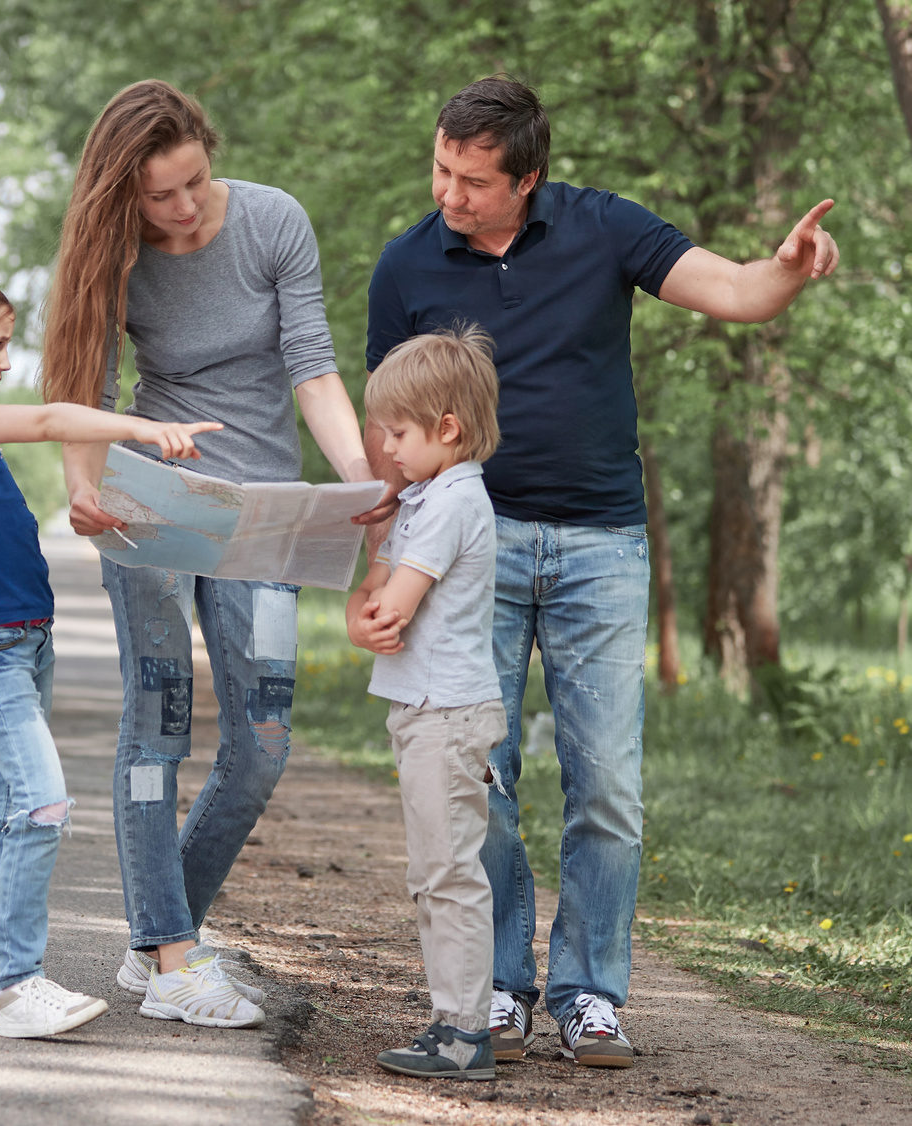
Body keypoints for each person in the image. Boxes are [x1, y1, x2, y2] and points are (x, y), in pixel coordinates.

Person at [361, 75, 839, 1069]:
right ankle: (495, 987)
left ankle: (589, 994)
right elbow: (388, 439)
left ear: (526, 177)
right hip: (464, 551)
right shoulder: (407, 263)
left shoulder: (602, 228)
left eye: (472, 180)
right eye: (439, 169)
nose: (447, 194)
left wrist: (785, 269)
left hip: (599, 547)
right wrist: (386, 568)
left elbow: (737, 292)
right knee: (477, 779)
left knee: (606, 787)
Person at [39, 79, 377, 1029]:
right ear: (121, 195)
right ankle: (179, 961)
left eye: (193, 182)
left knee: (261, 745)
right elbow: (81, 379)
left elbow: (311, 363)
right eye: (158, 196)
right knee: (157, 728)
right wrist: (83, 489)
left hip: (261, 513)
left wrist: (357, 483)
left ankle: (157, 937)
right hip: (152, 506)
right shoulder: (107, 253)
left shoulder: (273, 222)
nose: (182, 210)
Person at [0, 267, 221, 1038]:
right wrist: (139, 429)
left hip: (17, 650)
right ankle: (18, 982)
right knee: (43, 805)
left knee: (8, 815)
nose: (7, 361)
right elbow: (44, 423)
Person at [347, 326, 507, 1081]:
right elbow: (372, 595)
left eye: (398, 433)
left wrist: (374, 613)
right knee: (433, 872)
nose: (386, 447)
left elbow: (390, 606)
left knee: (447, 875)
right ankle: (453, 1018)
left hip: (447, 715)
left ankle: (464, 1030)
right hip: (423, 710)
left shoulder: (450, 503)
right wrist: (367, 603)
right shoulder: (424, 495)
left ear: (448, 428)